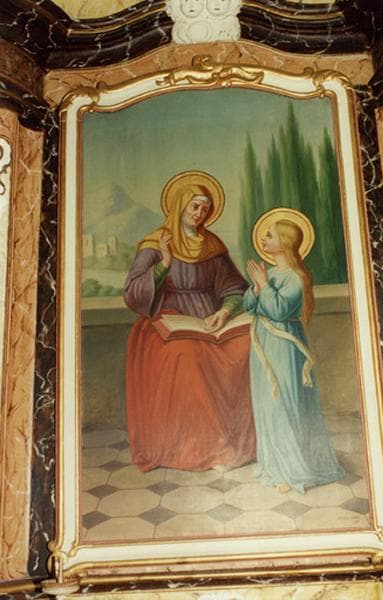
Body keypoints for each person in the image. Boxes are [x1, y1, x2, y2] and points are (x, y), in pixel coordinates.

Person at [124, 171, 256, 472]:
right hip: (168, 322)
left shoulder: (212, 244)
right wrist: (163, 265)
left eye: (205, 209)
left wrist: (226, 311)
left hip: (212, 321)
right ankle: (200, 447)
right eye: (195, 206)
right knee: (188, 355)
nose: (199, 214)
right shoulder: (156, 242)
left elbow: (234, 288)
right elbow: (132, 292)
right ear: (180, 204)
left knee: (249, 345)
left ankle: (238, 442)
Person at [243, 209, 345, 493]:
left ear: (285, 242)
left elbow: (278, 310)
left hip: (285, 346)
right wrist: (257, 287)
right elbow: (250, 307)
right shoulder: (270, 272)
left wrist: (264, 285)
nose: (263, 239)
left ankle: (292, 470)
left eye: (270, 235)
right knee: (266, 404)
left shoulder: (296, 277)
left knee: (283, 404)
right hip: (263, 344)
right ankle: (275, 466)